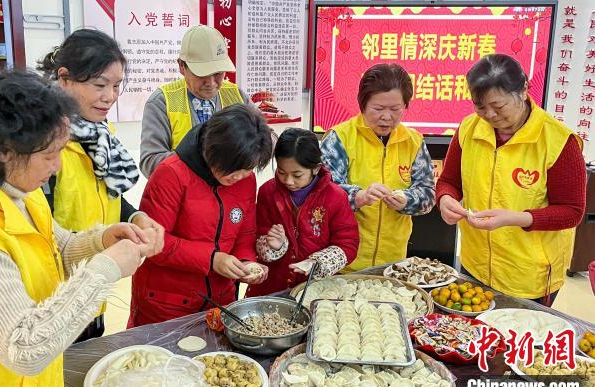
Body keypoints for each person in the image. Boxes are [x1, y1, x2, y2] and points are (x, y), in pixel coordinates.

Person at [0, 71, 160, 387]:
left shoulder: (13, 186)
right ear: (6, 151)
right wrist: (107, 267)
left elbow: (56, 249)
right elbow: (25, 348)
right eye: (49, 155)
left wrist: (100, 240)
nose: (56, 167)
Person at [38, 29, 165, 340]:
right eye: (99, 85)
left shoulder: (98, 134)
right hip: (55, 298)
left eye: (117, 86)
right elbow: (40, 231)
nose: (110, 96)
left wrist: (135, 217)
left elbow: (107, 194)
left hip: (95, 287)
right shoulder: (44, 144)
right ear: (64, 78)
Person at [436, 54, 586, 306]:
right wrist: (446, 198)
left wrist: (515, 219)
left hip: (528, 275)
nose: (490, 115)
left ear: (524, 90)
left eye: (499, 105)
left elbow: (572, 212)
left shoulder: (558, 141)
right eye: (480, 106)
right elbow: (449, 180)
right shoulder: (469, 129)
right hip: (474, 264)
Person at [129, 104, 273, 327]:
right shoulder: (171, 174)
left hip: (219, 300)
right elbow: (153, 242)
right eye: (234, 169)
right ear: (212, 151)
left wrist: (246, 263)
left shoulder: (245, 178)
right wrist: (212, 259)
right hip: (167, 303)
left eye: (249, 169)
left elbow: (245, 231)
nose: (240, 177)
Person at [321, 63, 435, 271]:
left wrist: (406, 200)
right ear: (362, 105)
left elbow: (428, 196)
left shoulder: (413, 141)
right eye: (378, 109)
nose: (386, 117)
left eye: (395, 109)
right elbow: (323, 194)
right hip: (345, 261)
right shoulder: (341, 138)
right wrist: (359, 196)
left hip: (393, 264)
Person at [246, 128, 359, 297]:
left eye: (297, 175)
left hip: (315, 289)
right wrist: (272, 246)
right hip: (272, 287)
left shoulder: (335, 197)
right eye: (281, 172)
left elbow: (348, 244)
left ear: (315, 168)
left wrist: (317, 262)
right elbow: (255, 236)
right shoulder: (267, 192)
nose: (288, 181)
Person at [139, 24, 250, 177]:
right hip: (182, 197)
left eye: (218, 73)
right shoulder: (162, 102)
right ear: (182, 66)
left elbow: (266, 138)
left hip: (230, 198)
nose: (211, 82)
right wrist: (208, 159)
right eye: (202, 73)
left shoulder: (236, 96)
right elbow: (149, 162)